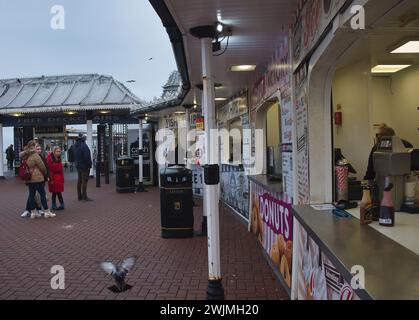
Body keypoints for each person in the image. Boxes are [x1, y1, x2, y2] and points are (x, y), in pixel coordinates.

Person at [20, 140, 56, 219]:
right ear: (32, 147)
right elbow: (42, 167)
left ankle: (33, 212)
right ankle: (47, 212)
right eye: (34, 146)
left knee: (31, 195)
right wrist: (44, 173)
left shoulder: (26, 155)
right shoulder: (35, 155)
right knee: (42, 195)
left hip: (29, 178)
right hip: (37, 178)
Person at [74, 133, 92, 201]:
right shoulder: (84, 146)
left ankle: (79, 196)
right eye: (85, 137)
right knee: (84, 181)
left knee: (79, 180)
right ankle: (85, 196)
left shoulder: (75, 145)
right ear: (83, 138)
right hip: (84, 166)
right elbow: (87, 157)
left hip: (78, 165)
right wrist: (89, 165)